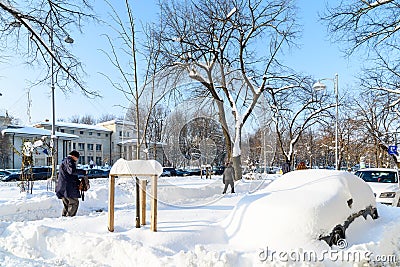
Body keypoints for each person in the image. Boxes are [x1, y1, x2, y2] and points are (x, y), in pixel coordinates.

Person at [55, 150, 82, 217]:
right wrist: (83, 172)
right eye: (77, 158)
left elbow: (69, 174)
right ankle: (69, 220)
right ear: (73, 156)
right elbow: (72, 171)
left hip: (63, 187)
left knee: (67, 204)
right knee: (74, 203)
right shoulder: (69, 161)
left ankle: (64, 219)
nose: (77, 160)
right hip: (69, 187)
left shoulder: (64, 161)